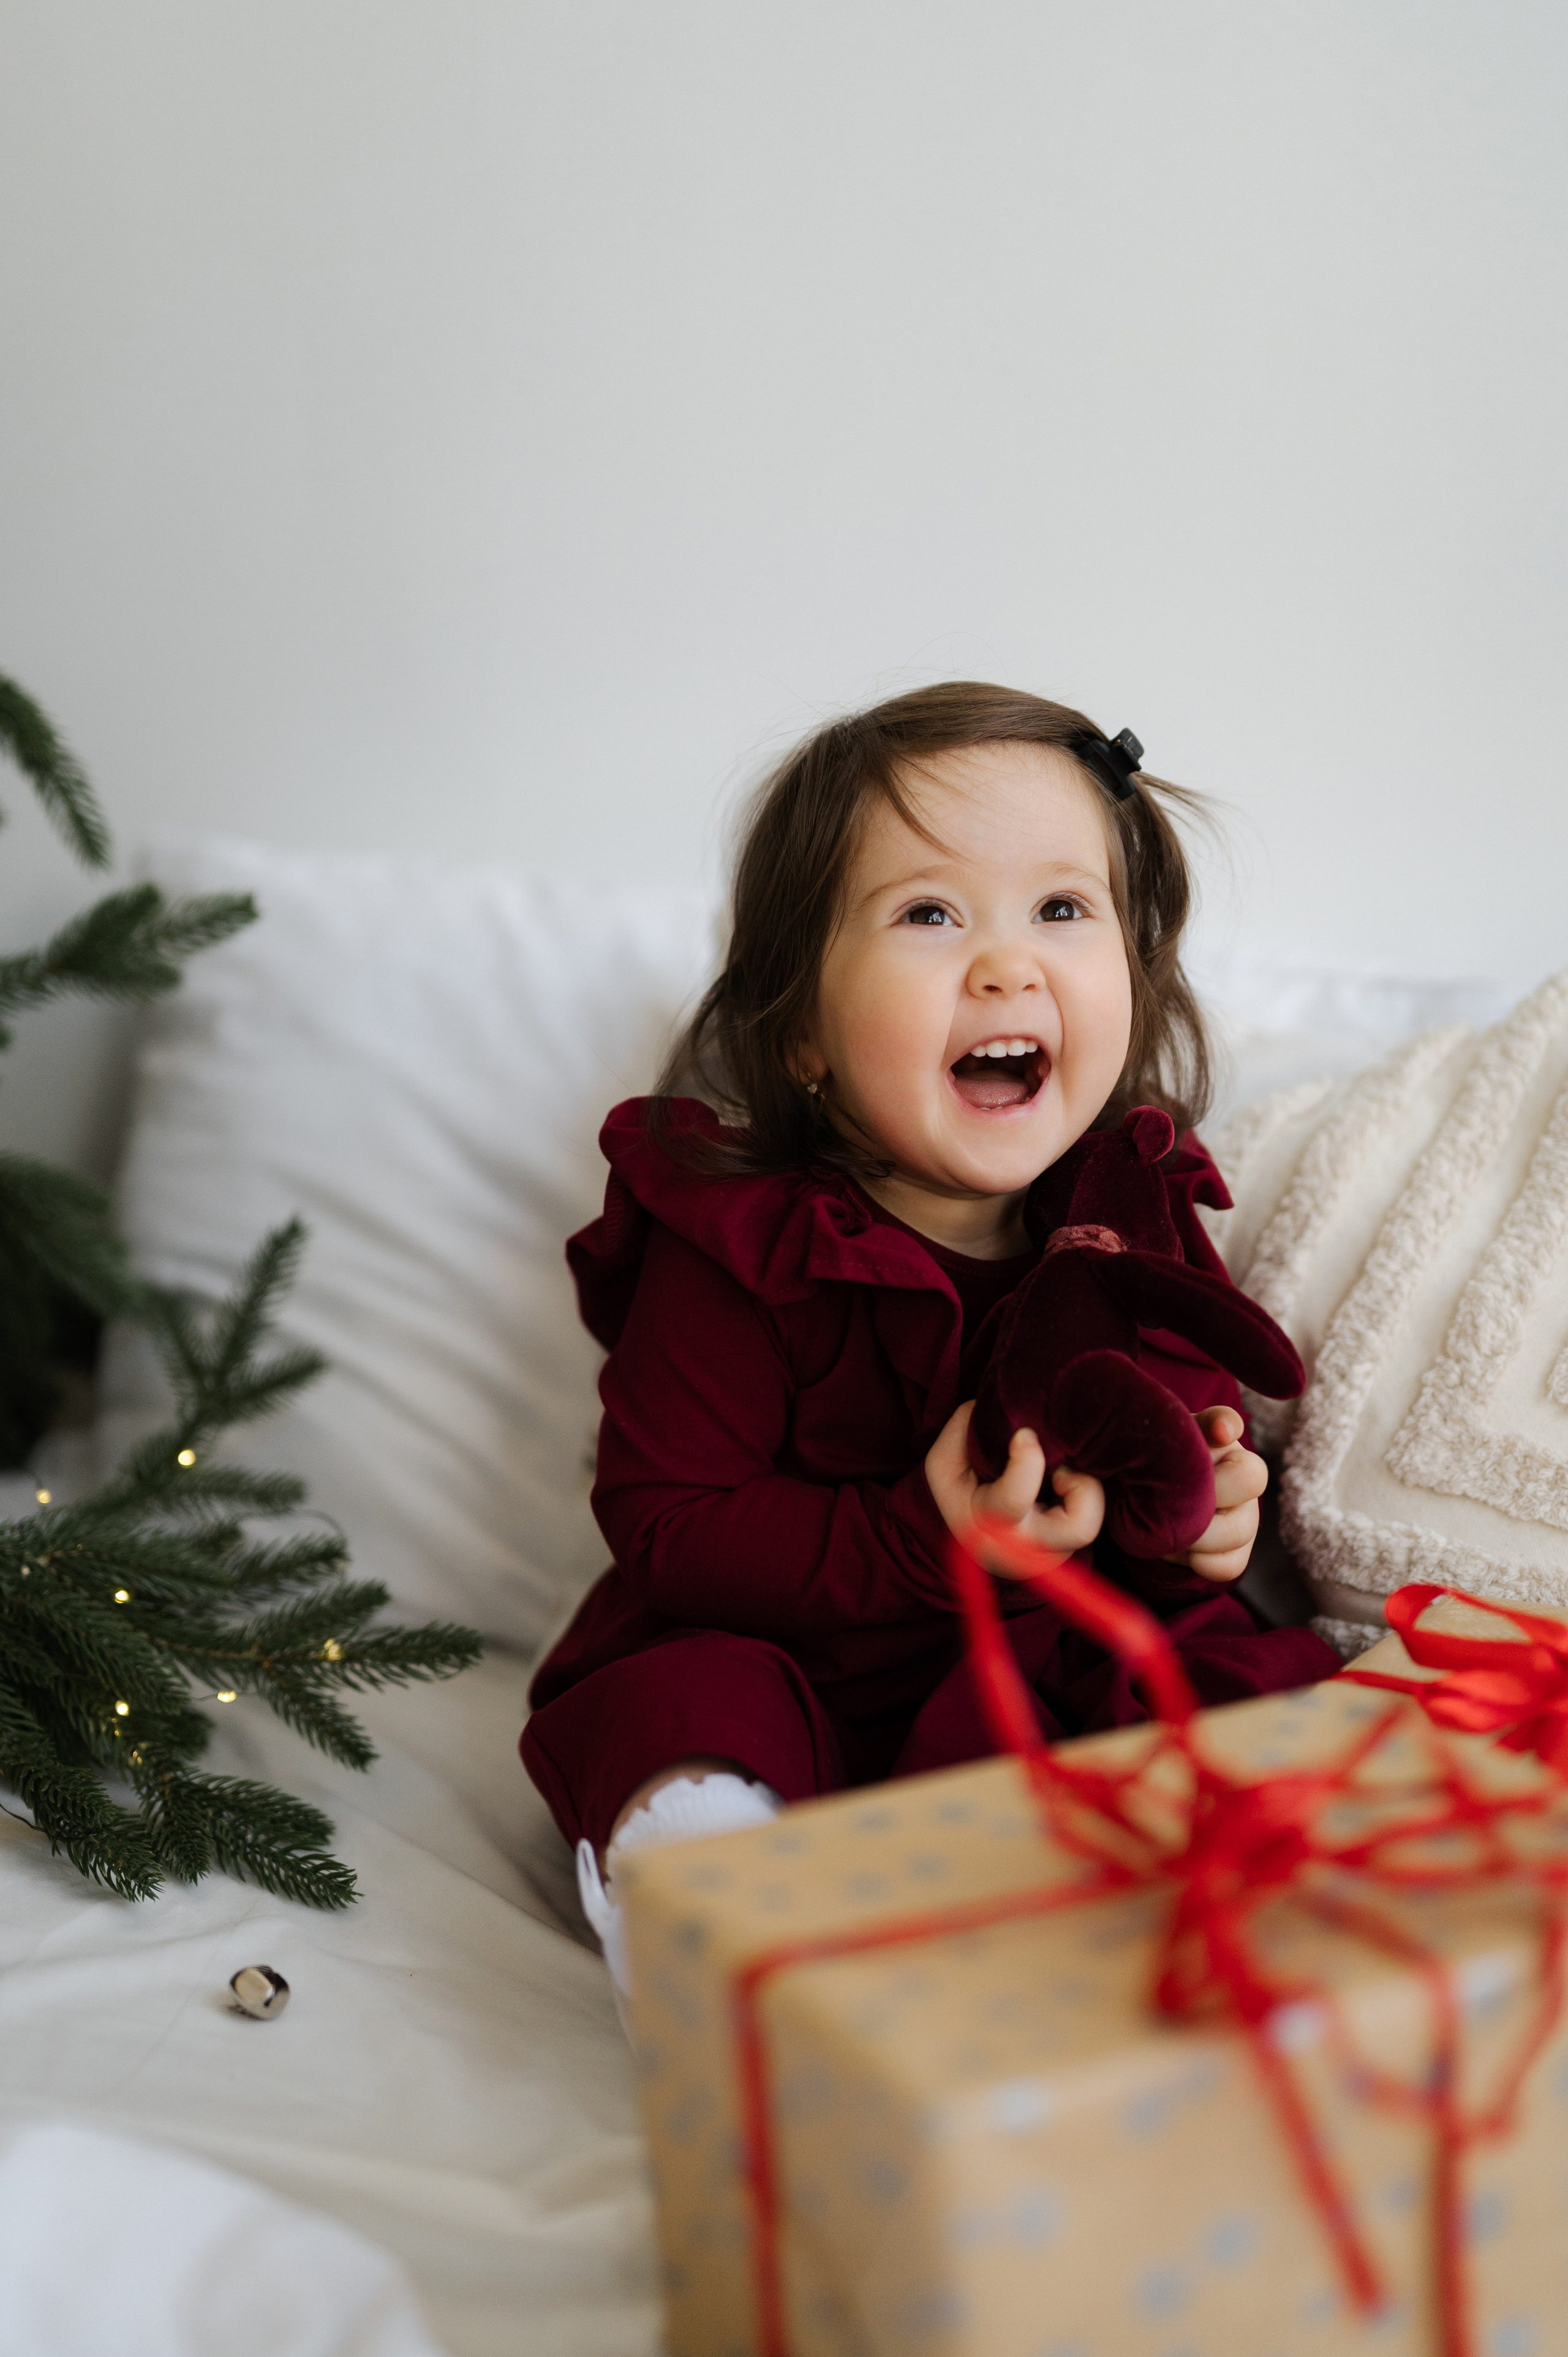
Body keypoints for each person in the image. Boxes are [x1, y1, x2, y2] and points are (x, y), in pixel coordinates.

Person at [521, 683, 1340, 1997]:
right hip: (805, 1668)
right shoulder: (739, 1244)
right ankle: (709, 1936)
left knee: (1240, 1696)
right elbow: (666, 1523)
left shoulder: (1132, 1210)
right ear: (797, 1030)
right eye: (927, 914)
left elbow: (1171, 1442)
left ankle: (1186, 1957)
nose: (1005, 965)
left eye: (1060, 910)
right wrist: (919, 1538)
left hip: (1043, 1670)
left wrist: (1206, 1521)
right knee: (676, 1713)